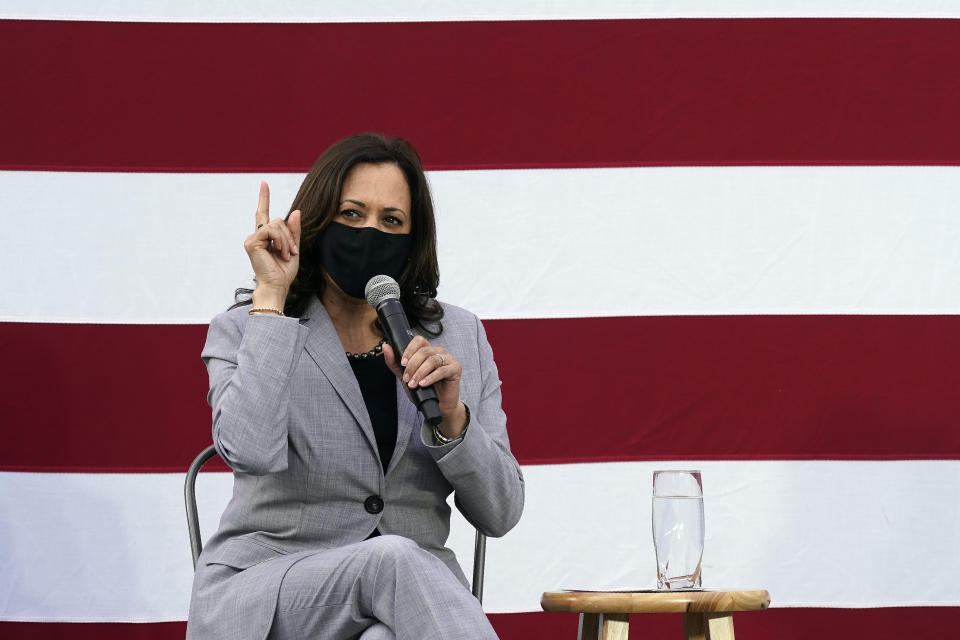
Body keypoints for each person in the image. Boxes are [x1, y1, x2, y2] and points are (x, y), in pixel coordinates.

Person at [185, 133, 525, 640]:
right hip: (272, 591)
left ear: (413, 240)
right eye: (351, 213)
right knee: (389, 559)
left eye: (391, 221)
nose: (370, 232)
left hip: (404, 604)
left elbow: (500, 513)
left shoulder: (457, 337)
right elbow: (248, 452)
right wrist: (272, 296)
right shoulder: (248, 327)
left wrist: (453, 422)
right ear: (319, 221)